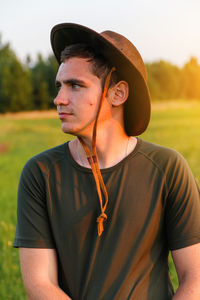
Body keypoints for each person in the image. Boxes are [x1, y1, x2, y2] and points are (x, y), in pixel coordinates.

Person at [14, 23, 200, 300]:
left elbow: (194, 278)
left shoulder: (167, 169)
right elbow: (40, 284)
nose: (58, 99)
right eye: (59, 86)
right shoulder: (40, 174)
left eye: (75, 85)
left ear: (118, 94)